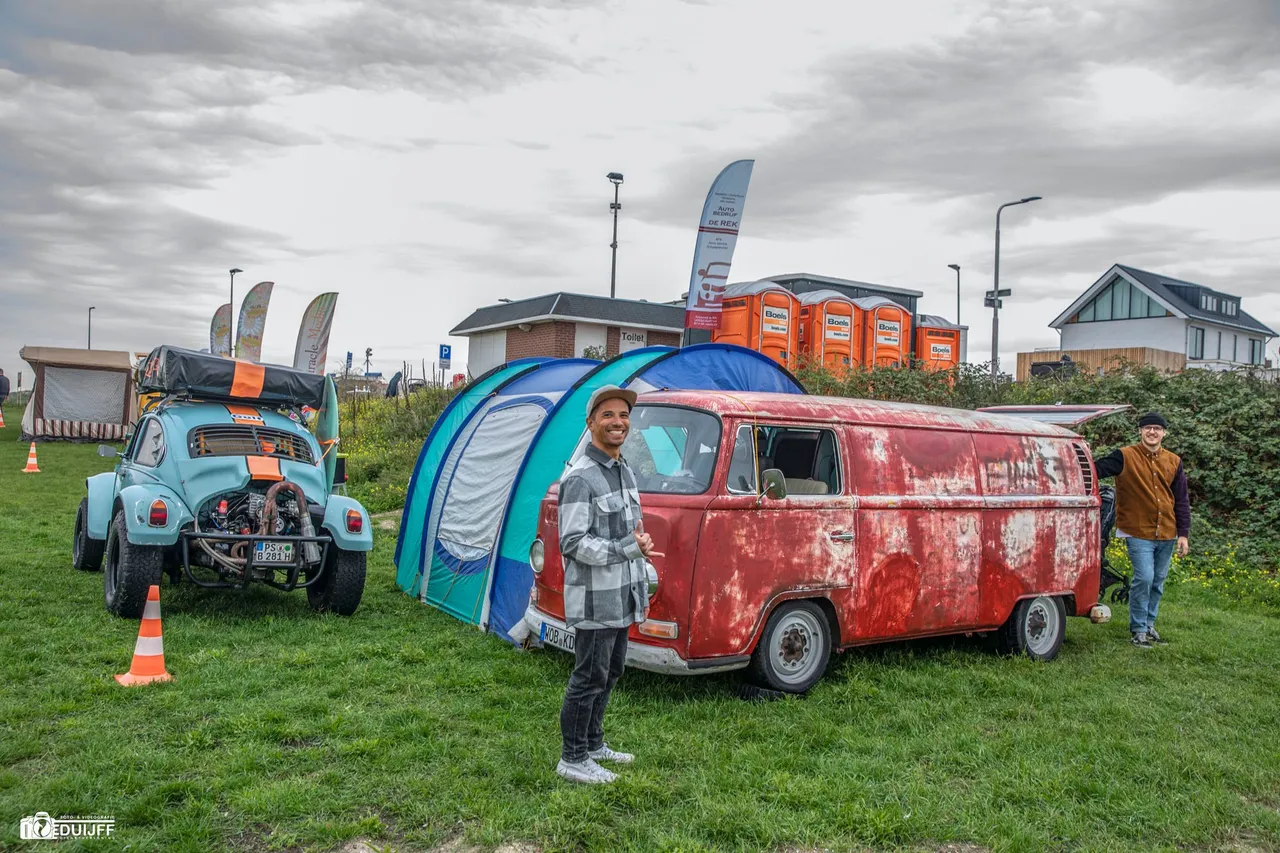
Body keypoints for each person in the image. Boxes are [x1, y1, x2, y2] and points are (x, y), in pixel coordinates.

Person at [555, 384, 657, 785]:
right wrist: (625, 547)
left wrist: (638, 543)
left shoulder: (624, 469)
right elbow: (572, 542)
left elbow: (628, 528)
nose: (618, 422)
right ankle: (572, 757)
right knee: (588, 676)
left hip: (622, 594)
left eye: (624, 415)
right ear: (591, 422)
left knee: (611, 670)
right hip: (595, 598)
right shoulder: (581, 476)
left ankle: (594, 744)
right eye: (609, 415)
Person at [1094, 411, 1190, 648]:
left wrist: (1184, 534)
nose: (1152, 432)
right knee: (1144, 578)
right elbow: (1094, 469)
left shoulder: (1174, 461)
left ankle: (1149, 625)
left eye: (1157, 428)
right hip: (1137, 531)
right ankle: (1138, 630)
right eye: (1147, 428)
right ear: (1140, 431)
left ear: (1164, 433)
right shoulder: (1124, 456)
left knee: (1157, 581)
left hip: (1167, 531)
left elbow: (1181, 500)